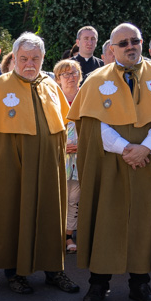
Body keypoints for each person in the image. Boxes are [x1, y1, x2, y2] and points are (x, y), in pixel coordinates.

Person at [69, 23, 151, 301]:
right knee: (106, 220)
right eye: (122, 43)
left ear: (142, 43)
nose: (129, 46)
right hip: (109, 164)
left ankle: (140, 284)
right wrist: (124, 148)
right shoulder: (96, 79)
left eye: (134, 40)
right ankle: (98, 284)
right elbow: (92, 123)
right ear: (112, 49)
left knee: (144, 220)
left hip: (149, 164)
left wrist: (146, 148)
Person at [0, 32, 78, 294]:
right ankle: (15, 273)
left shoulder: (51, 85)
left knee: (50, 215)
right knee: (14, 214)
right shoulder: (0, 85)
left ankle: (54, 270)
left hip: (49, 166)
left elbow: (62, 123)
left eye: (36, 58)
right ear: (15, 58)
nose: (30, 64)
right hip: (14, 168)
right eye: (24, 58)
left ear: (43, 59)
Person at [53, 59, 83, 254]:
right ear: (58, 79)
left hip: (81, 159)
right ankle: (54, 236)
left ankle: (69, 235)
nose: (71, 77)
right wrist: (63, 145)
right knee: (57, 198)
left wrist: (82, 145)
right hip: (58, 159)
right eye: (66, 74)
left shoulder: (87, 97)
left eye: (74, 73)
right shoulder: (52, 100)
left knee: (74, 199)